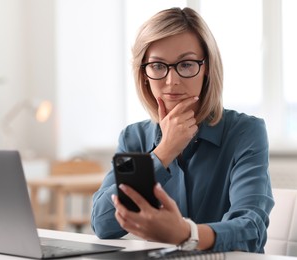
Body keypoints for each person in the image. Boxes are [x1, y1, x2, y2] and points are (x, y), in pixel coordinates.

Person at [91, 7, 274, 253]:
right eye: (157, 66)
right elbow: (103, 223)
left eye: (186, 64)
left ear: (207, 67)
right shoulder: (133, 138)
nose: (171, 81)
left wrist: (187, 234)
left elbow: (252, 230)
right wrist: (163, 153)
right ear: (143, 74)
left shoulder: (245, 132)